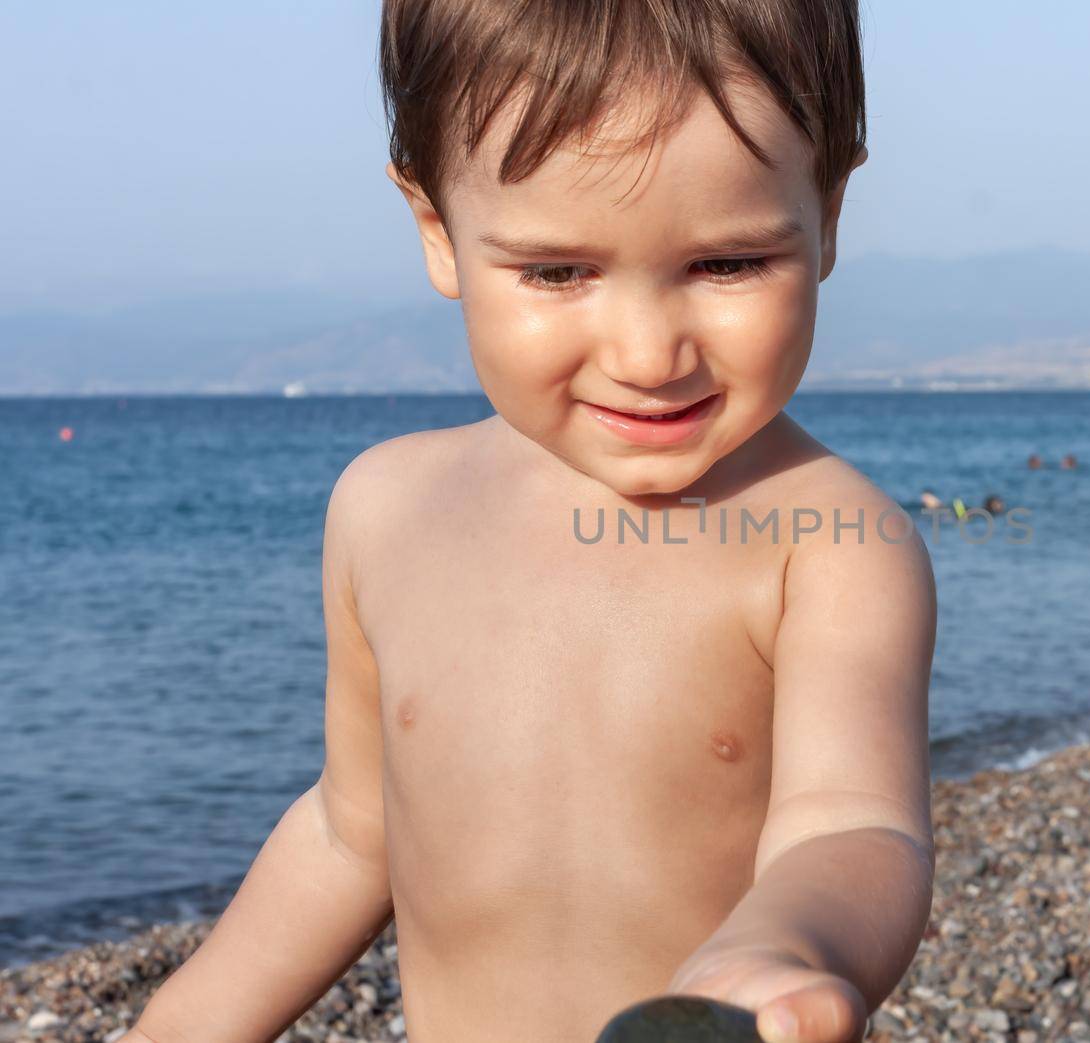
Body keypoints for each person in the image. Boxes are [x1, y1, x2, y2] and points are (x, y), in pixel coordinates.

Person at [125, 4, 935, 1043]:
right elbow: (350, 830)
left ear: (826, 213)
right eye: (558, 272)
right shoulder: (385, 506)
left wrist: (783, 944)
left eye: (725, 264)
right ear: (437, 233)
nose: (648, 353)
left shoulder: (827, 541)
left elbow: (855, 823)